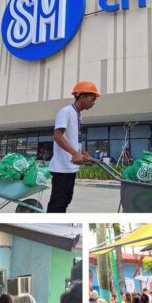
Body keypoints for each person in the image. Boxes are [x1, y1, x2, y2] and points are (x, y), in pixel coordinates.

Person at [46, 81, 99, 213]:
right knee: (58, 203)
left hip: (70, 168)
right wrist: (74, 154)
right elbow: (58, 136)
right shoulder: (66, 112)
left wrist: (86, 155)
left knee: (66, 200)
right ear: (82, 97)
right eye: (92, 99)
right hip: (61, 168)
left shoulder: (78, 116)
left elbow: (76, 141)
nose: (94, 103)